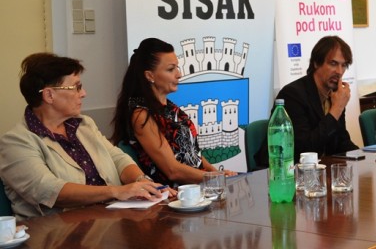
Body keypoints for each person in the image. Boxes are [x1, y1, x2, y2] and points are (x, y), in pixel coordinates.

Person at [0, 53, 170, 219]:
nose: (83, 93)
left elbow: (117, 158)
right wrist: (116, 192)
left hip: (111, 220)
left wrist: (141, 181)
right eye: (76, 87)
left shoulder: (84, 124)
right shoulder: (15, 143)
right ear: (49, 95)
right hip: (58, 232)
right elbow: (49, 190)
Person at [111, 38, 235, 186]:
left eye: (177, 67)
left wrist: (217, 175)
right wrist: (214, 177)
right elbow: (172, 171)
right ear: (150, 76)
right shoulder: (141, 115)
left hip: (198, 186)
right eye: (171, 69)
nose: (179, 74)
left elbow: (193, 154)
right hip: (175, 194)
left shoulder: (169, 107)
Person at [274, 36, 358, 160]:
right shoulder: (292, 95)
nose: (340, 72)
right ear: (316, 63)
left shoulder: (335, 95)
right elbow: (304, 149)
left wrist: (365, 155)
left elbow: (342, 142)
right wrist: (336, 109)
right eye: (333, 63)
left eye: (344, 65)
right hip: (286, 168)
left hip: (321, 168)